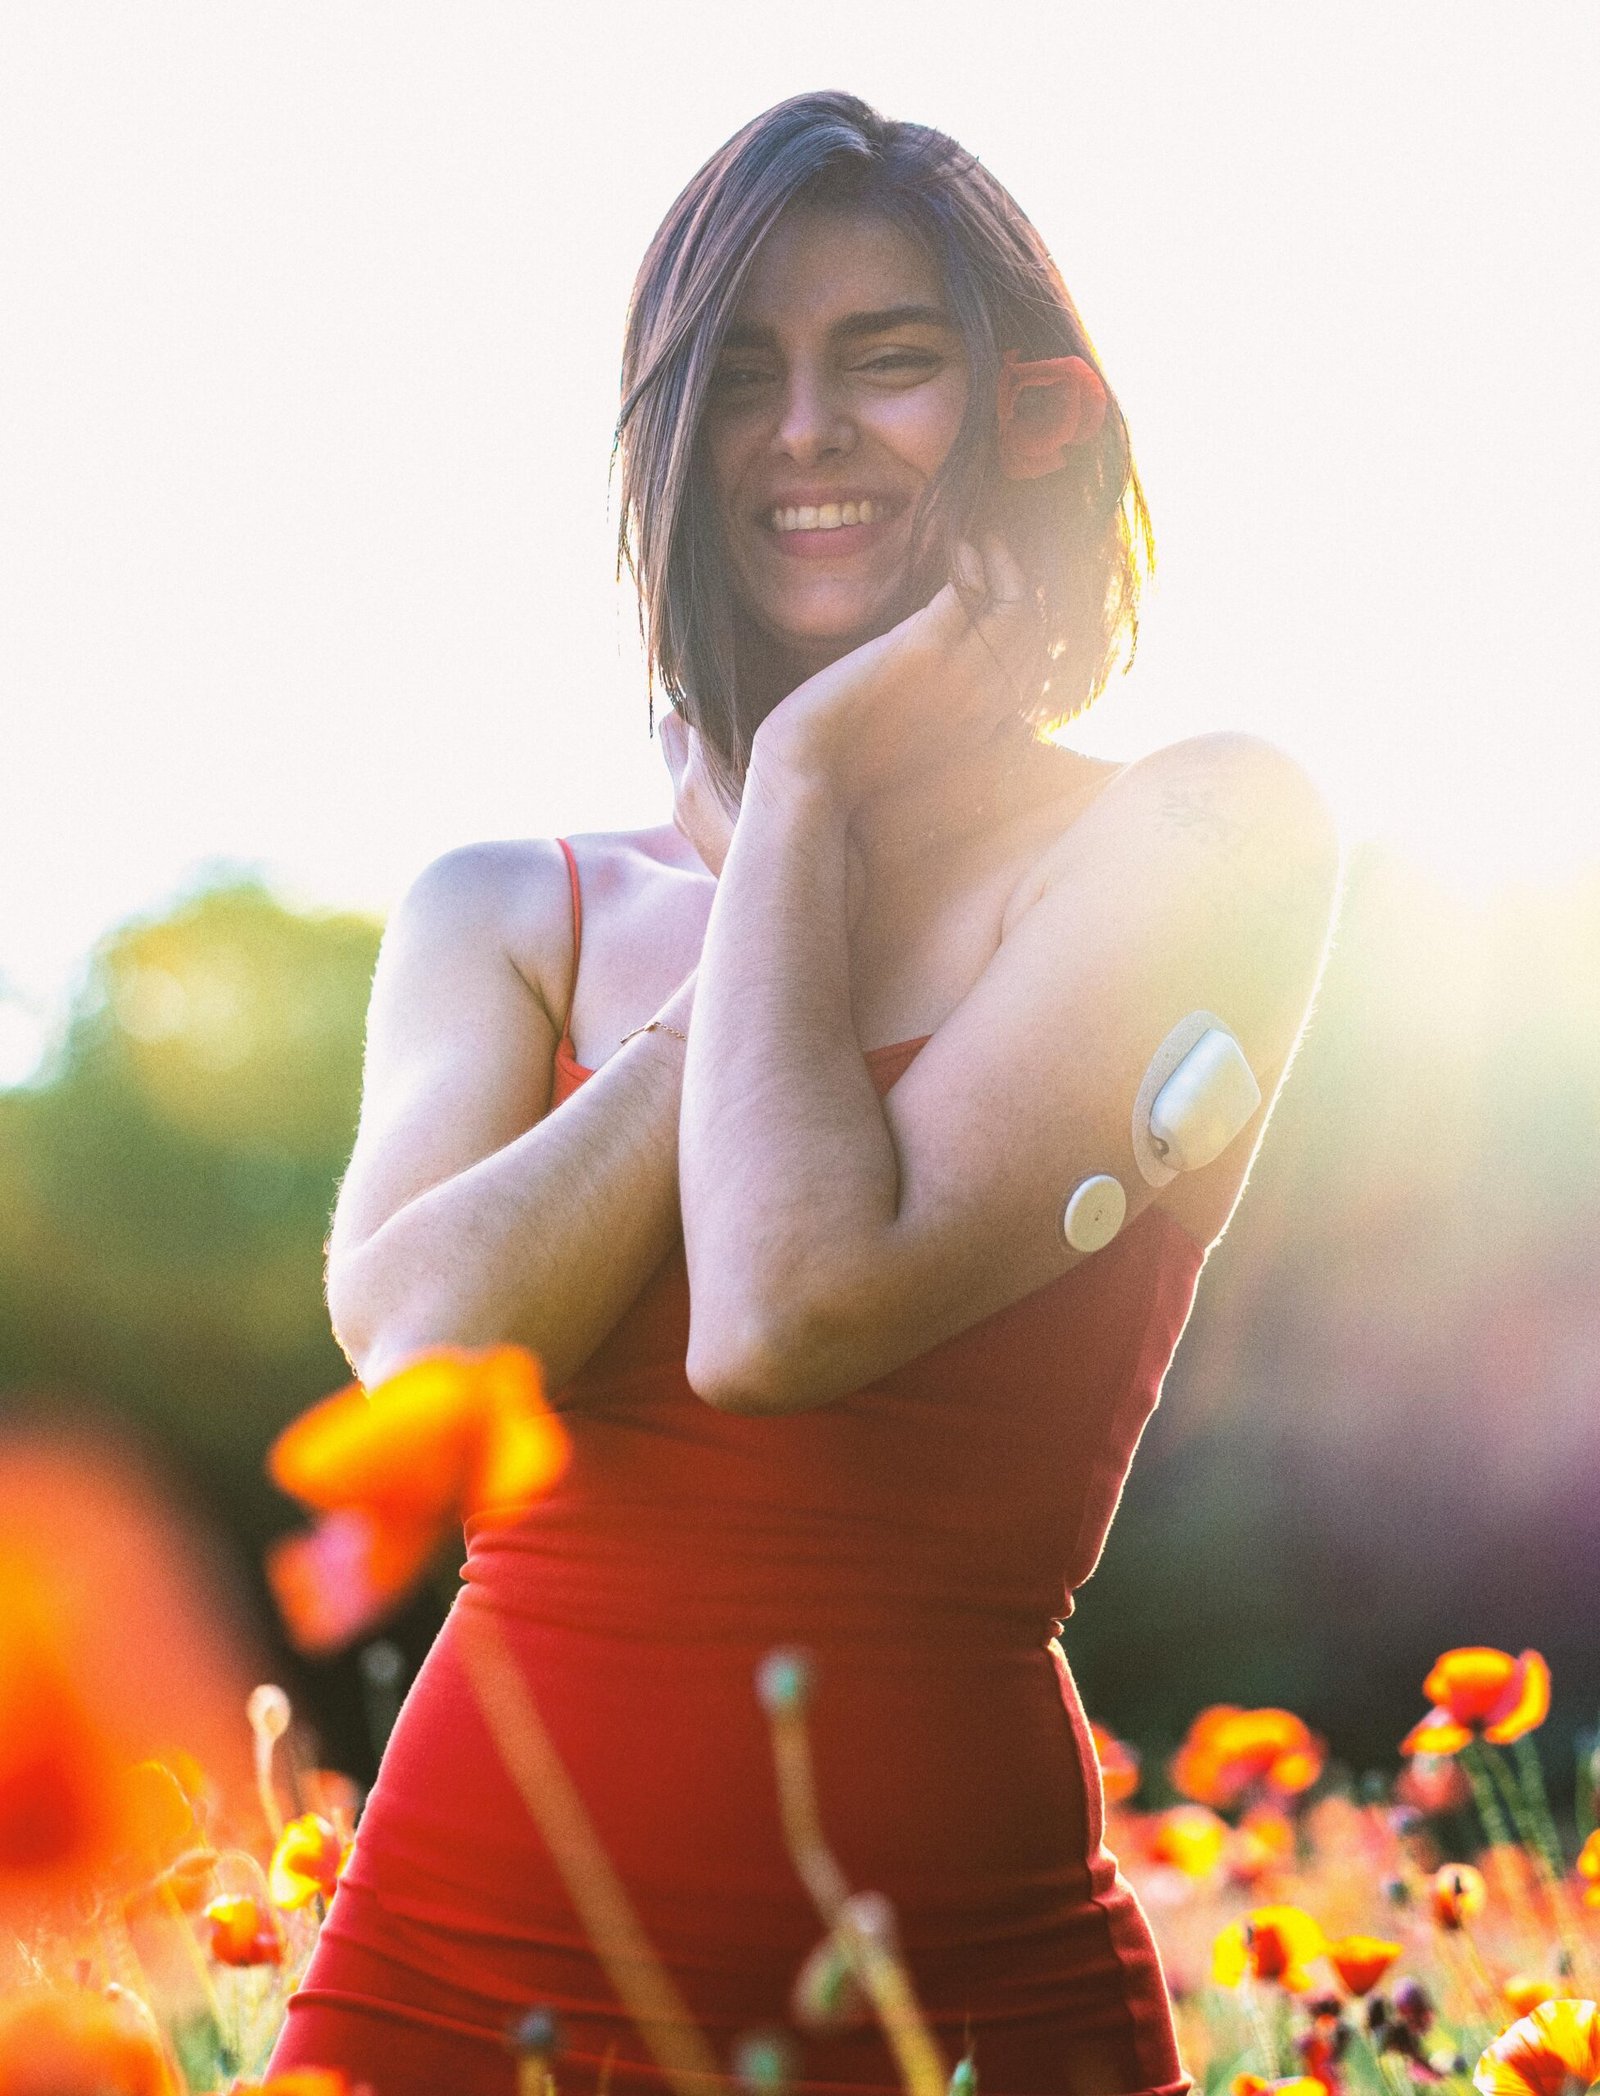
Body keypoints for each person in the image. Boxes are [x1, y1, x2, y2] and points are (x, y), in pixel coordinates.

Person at [270, 91, 1339, 2096]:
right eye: (740, 374)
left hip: (950, 2005)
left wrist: (812, 792)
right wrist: (781, 886)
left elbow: (785, 1307)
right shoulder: (507, 906)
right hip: (441, 1972)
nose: (804, 434)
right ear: (667, 446)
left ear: (1032, 409)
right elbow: (421, 1350)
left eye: (890, 360)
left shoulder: (1202, 837)